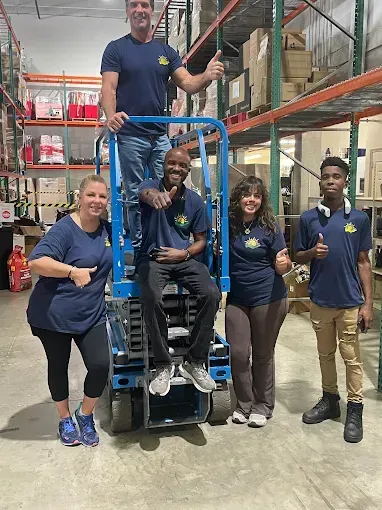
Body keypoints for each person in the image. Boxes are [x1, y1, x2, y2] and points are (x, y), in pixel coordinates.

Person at [101, 0, 225, 258]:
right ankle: (138, 248)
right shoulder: (116, 49)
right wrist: (111, 116)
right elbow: (109, 88)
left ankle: (169, 242)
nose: (139, 10)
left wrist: (206, 75)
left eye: (145, 4)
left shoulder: (166, 52)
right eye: (134, 5)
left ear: (152, 10)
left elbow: (188, 83)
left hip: (158, 135)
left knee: (172, 188)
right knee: (136, 192)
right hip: (130, 134)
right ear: (127, 12)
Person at [26, 175, 113, 447]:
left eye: (102, 196)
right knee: (59, 366)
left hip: (91, 313)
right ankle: (65, 418)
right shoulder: (65, 229)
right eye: (91, 195)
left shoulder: (108, 230)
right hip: (54, 313)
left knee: (100, 364)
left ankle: (84, 414)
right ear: (80, 196)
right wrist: (72, 271)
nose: (96, 201)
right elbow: (36, 262)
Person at [294, 157, 373, 444]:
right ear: (320, 182)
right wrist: (312, 253)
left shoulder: (360, 219)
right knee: (325, 355)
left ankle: (355, 409)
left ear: (345, 181)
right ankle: (330, 400)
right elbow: (297, 255)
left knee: (351, 358)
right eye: (325, 176)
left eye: (336, 176)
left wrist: (367, 303)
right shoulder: (308, 218)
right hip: (320, 301)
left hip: (350, 301)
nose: (330, 180)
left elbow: (364, 262)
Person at [137, 147, 220, 397]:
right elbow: (145, 193)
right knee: (151, 297)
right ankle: (163, 365)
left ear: (188, 170)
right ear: (164, 165)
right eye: (172, 163)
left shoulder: (194, 201)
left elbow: (201, 240)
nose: (176, 168)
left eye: (182, 166)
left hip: (183, 258)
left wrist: (183, 254)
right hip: (154, 258)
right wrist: (155, 197)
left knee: (211, 294)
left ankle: (194, 361)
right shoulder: (151, 184)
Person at [224, 176, 291, 428]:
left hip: (268, 297)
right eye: (246, 194)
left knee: (262, 354)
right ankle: (244, 403)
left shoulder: (269, 226)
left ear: (262, 200)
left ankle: (263, 405)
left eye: (257, 195)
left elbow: (285, 262)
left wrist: (284, 265)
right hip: (238, 298)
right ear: (238, 198)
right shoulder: (228, 224)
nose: (251, 200)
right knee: (239, 354)